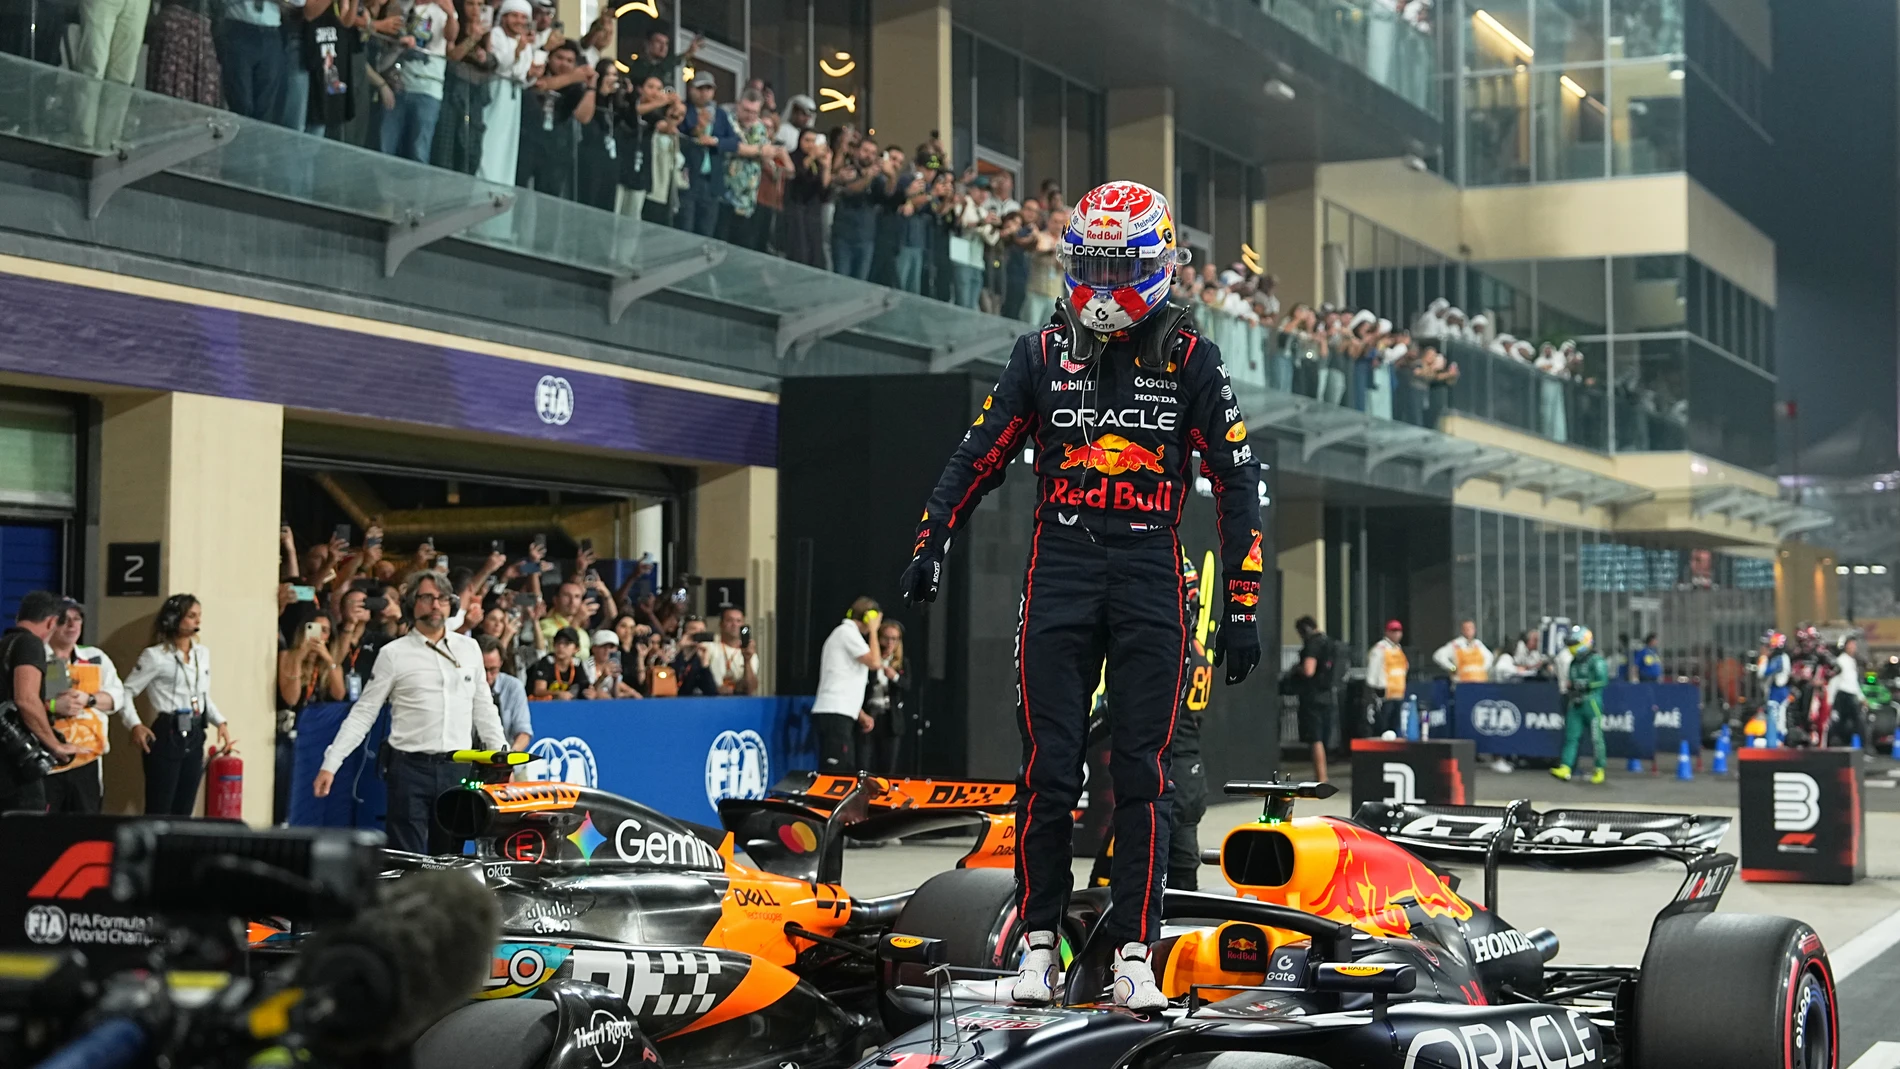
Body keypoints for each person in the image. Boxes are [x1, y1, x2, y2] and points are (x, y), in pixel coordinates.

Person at [897, 180, 1261, 1012]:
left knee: (1143, 774)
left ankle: (1136, 953)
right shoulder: (1038, 353)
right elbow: (977, 451)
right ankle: (1035, 950)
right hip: (1058, 562)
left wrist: (1241, 604)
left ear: (1157, 265)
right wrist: (932, 536)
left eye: (1114, 267)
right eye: (1086, 266)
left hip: (1150, 570)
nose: (1097, 286)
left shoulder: (1191, 359)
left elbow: (1239, 481)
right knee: (1047, 771)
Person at [314, 571, 506, 854]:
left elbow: (484, 708)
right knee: (407, 862)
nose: (435, 605)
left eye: (442, 598)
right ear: (411, 604)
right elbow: (364, 712)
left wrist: (502, 757)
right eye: (427, 597)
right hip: (409, 770)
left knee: (450, 860)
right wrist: (331, 762)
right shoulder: (394, 654)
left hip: (457, 768)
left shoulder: (470, 648)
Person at [124, 594, 234, 816]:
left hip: (194, 731)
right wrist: (135, 724)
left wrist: (219, 721)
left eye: (199, 616)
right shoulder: (155, 656)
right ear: (174, 618)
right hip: (168, 731)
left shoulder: (201, 654)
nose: (197, 622)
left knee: (185, 805)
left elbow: (202, 695)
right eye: (191, 616)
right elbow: (126, 691)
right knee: (160, 805)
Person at [42, 599, 129, 814]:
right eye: (64, 620)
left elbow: (117, 699)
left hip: (87, 758)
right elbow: (21, 700)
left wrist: (88, 699)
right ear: (51, 623)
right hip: (49, 757)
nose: (72, 625)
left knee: (86, 826)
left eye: (77, 619)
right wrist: (53, 705)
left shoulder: (95, 657)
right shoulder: (36, 656)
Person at [0, 593, 81, 811]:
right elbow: (26, 699)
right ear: (51, 622)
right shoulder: (30, 644)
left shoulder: (5, 643)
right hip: (15, 769)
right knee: (26, 834)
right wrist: (54, 745)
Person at [811, 599, 883, 773]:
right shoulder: (846, 633)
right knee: (836, 770)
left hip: (840, 712)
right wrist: (873, 631)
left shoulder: (848, 635)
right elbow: (875, 662)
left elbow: (844, 680)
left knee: (844, 767)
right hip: (835, 714)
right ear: (868, 618)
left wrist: (860, 714)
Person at [1553, 626, 1607, 784]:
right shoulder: (1573, 663)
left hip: (1591, 702)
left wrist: (1586, 685)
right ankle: (1566, 767)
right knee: (1571, 737)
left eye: (1573, 643)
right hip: (1575, 702)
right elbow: (1569, 681)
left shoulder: (1596, 660)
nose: (1570, 647)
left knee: (1597, 738)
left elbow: (1602, 680)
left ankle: (1599, 768)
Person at [1288, 616, 1338, 781]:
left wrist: (1297, 669)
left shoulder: (1312, 644)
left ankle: (1321, 777)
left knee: (1315, 739)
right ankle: (1324, 776)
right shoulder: (1330, 643)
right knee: (1323, 737)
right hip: (1328, 694)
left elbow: (1309, 670)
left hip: (1312, 696)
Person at [861, 617, 907, 773]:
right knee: (865, 763)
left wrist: (894, 677)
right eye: (886, 638)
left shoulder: (901, 663)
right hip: (870, 714)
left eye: (894, 639)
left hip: (890, 719)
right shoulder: (871, 660)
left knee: (888, 767)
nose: (890, 643)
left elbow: (907, 686)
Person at [479, 635, 533, 750]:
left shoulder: (514, 686)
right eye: (483, 669)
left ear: (501, 663)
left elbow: (523, 731)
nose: (488, 676)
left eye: (493, 669)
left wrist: (509, 757)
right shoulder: (464, 686)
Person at [1366, 619, 1408, 737]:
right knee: (1383, 725)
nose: (1396, 634)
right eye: (1393, 631)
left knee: (1395, 727)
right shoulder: (1380, 649)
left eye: (1399, 631)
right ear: (1387, 632)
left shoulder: (1398, 649)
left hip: (1398, 693)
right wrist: (1374, 690)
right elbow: (1372, 671)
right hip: (1385, 694)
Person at [707, 607, 759, 695]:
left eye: (738, 621)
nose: (734, 624)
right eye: (729, 620)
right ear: (721, 624)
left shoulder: (749, 651)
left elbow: (751, 688)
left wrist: (747, 660)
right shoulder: (709, 646)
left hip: (739, 700)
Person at [529, 626, 588, 700]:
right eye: (558, 642)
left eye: (566, 643)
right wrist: (557, 693)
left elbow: (585, 686)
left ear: (576, 649)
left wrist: (591, 692)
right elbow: (538, 691)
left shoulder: (577, 664)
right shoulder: (546, 662)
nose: (560, 646)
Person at [1829, 637, 1865, 747]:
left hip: (1852, 695)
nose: (1853, 648)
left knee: (1857, 723)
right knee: (1840, 723)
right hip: (1842, 695)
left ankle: (1859, 748)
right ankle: (1839, 746)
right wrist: (1830, 700)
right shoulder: (1840, 661)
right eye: (1850, 645)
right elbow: (1834, 681)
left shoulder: (1852, 661)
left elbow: (1853, 682)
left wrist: (1861, 697)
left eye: (1854, 645)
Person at [1759, 631, 1791, 744]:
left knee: (1778, 720)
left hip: (1778, 692)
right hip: (1776, 691)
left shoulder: (1780, 658)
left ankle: (1778, 741)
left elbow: (1763, 672)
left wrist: (1764, 659)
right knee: (1776, 718)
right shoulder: (1778, 658)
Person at [587, 630, 638, 698]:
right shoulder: (587, 665)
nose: (607, 650)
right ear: (594, 648)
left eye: (611, 647)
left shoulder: (613, 665)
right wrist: (603, 677)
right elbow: (588, 692)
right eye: (603, 646)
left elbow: (615, 696)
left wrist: (615, 680)